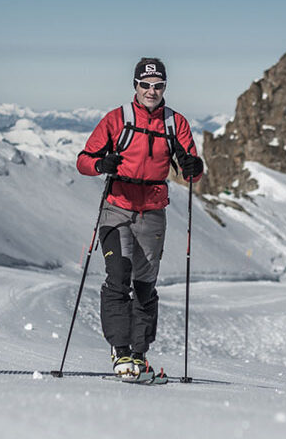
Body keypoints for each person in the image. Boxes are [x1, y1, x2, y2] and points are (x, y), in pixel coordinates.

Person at [76, 57, 203, 377]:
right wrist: (102, 165)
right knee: (118, 277)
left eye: (158, 85)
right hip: (117, 207)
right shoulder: (117, 119)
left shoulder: (175, 123)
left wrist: (193, 168)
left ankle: (138, 353)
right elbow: (83, 161)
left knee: (145, 286)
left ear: (165, 87)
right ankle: (120, 352)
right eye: (145, 85)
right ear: (135, 85)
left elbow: (193, 168)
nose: (152, 91)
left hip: (153, 212)